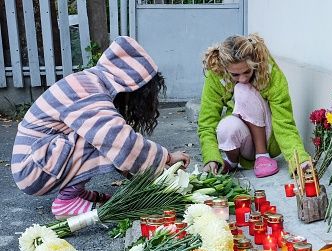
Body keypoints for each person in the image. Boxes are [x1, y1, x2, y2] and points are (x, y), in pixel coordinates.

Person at [11, 36, 190, 219]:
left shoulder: (90, 82)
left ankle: (75, 193)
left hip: (38, 162)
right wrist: (166, 158)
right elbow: (120, 142)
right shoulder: (86, 88)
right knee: (106, 136)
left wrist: (153, 170)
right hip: (32, 169)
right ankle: (66, 202)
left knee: (104, 133)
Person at [198, 33, 310, 177]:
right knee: (225, 126)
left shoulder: (268, 69)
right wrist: (211, 157)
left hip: (268, 137)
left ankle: (262, 156)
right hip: (243, 142)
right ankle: (232, 161)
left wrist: (299, 159)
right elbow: (207, 121)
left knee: (242, 89)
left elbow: (284, 121)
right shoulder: (216, 72)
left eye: (247, 72)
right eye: (235, 75)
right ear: (224, 68)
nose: (243, 78)